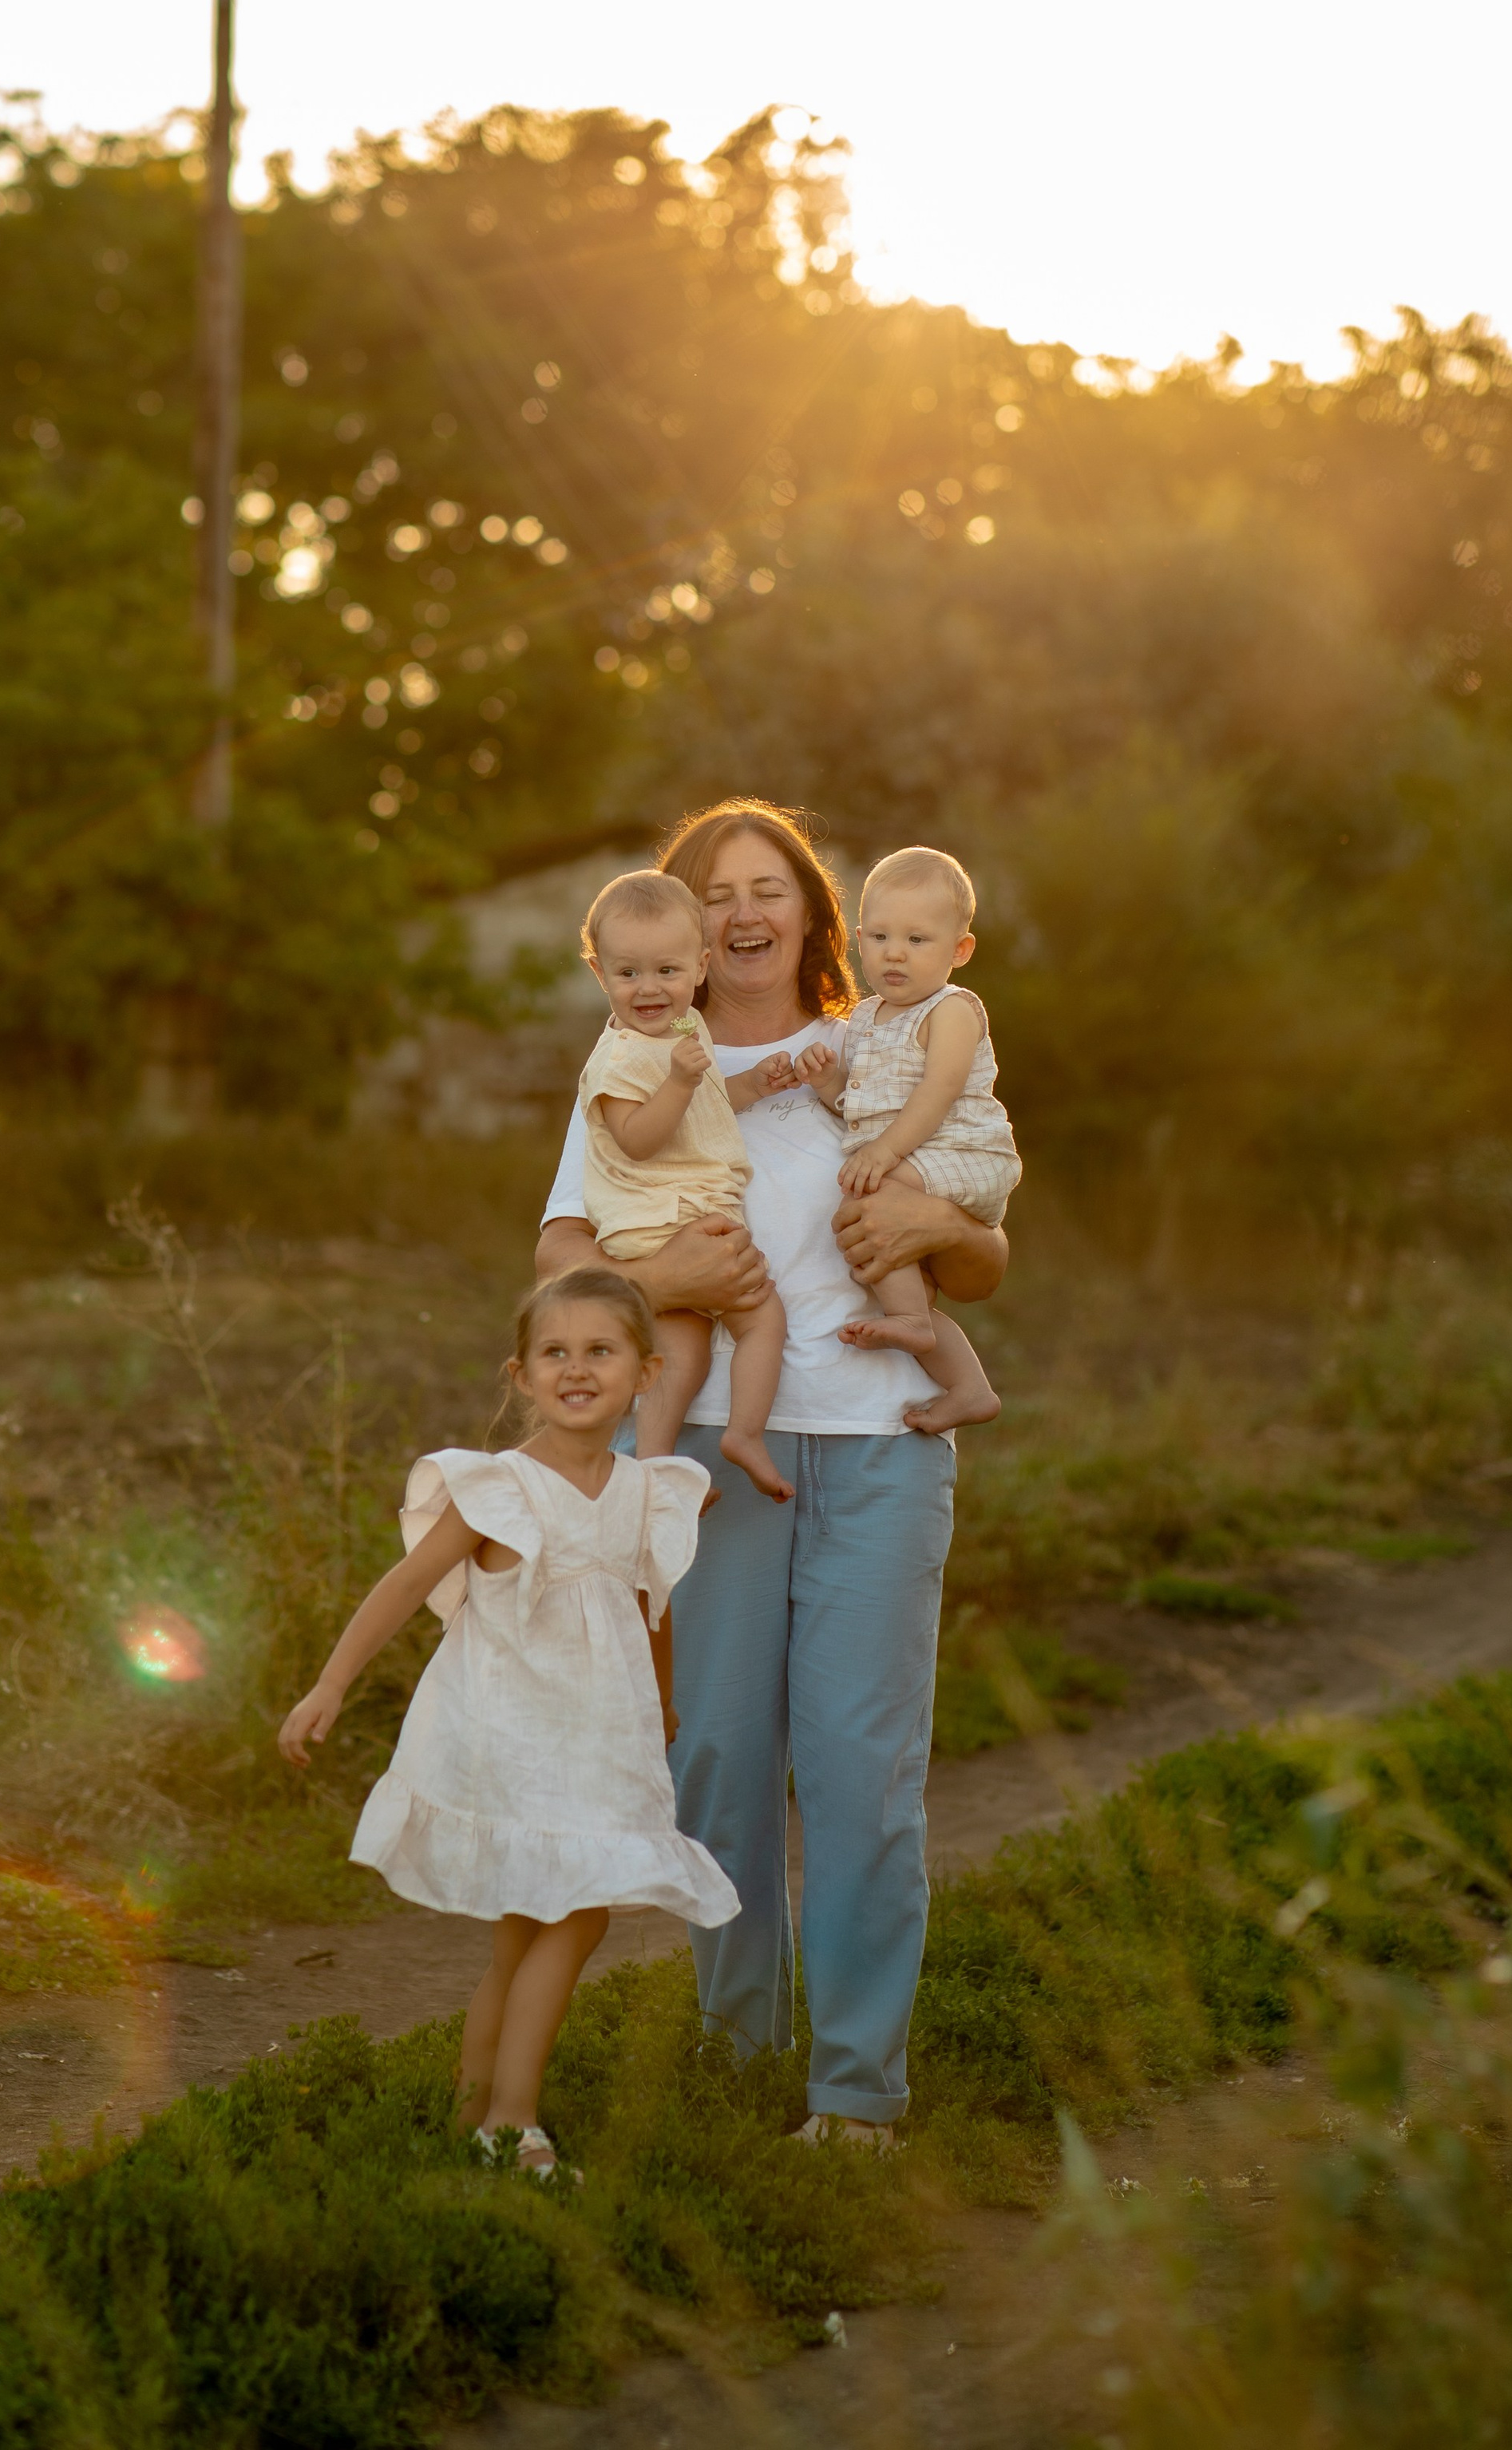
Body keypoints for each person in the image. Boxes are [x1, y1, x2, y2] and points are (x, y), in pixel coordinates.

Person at [535, 801, 1008, 2147]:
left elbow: (982, 1256)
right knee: (722, 1764)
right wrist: (658, 1277)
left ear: (811, 910)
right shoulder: (637, 1064)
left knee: (863, 1775)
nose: (743, 915)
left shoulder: (880, 1045)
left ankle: (857, 2094)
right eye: (714, 894)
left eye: (768, 890)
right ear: (675, 931)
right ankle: (739, 2058)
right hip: (702, 1457)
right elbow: (562, 1267)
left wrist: (944, 1230)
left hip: (880, 1445)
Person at [277, 1265, 737, 2180]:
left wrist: (667, 1697)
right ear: (520, 1375)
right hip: (514, 1733)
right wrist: (328, 1684)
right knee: (576, 1920)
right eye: (553, 1352)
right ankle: (513, 2122)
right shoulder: (499, 1489)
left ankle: (470, 2114)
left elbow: (653, 1603)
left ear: (645, 1373)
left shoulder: (646, 1490)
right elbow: (405, 1586)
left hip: (602, 1734)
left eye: (599, 1351)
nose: (576, 1368)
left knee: (530, 1929)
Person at [577, 867, 795, 1504]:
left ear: (700, 968)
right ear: (600, 974)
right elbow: (639, 1137)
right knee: (763, 1317)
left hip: (677, 1213)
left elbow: (703, 1107)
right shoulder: (619, 1058)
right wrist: (675, 1081)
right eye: (628, 973)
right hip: (661, 1219)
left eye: (667, 972)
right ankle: (745, 1433)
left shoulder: (681, 1030)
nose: (649, 989)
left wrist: (753, 1085)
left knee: (682, 1347)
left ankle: (652, 1467)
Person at [796, 844, 1019, 1437]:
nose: (896, 953)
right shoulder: (867, 1019)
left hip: (963, 1153)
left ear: (960, 950)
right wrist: (829, 1084)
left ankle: (911, 1323)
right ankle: (969, 1386)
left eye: (918, 940)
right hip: (913, 1157)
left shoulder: (951, 1010)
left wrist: (886, 1154)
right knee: (905, 1280)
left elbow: (939, 1092)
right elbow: (865, 1111)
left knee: (873, 1203)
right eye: (882, 938)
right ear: (859, 939)